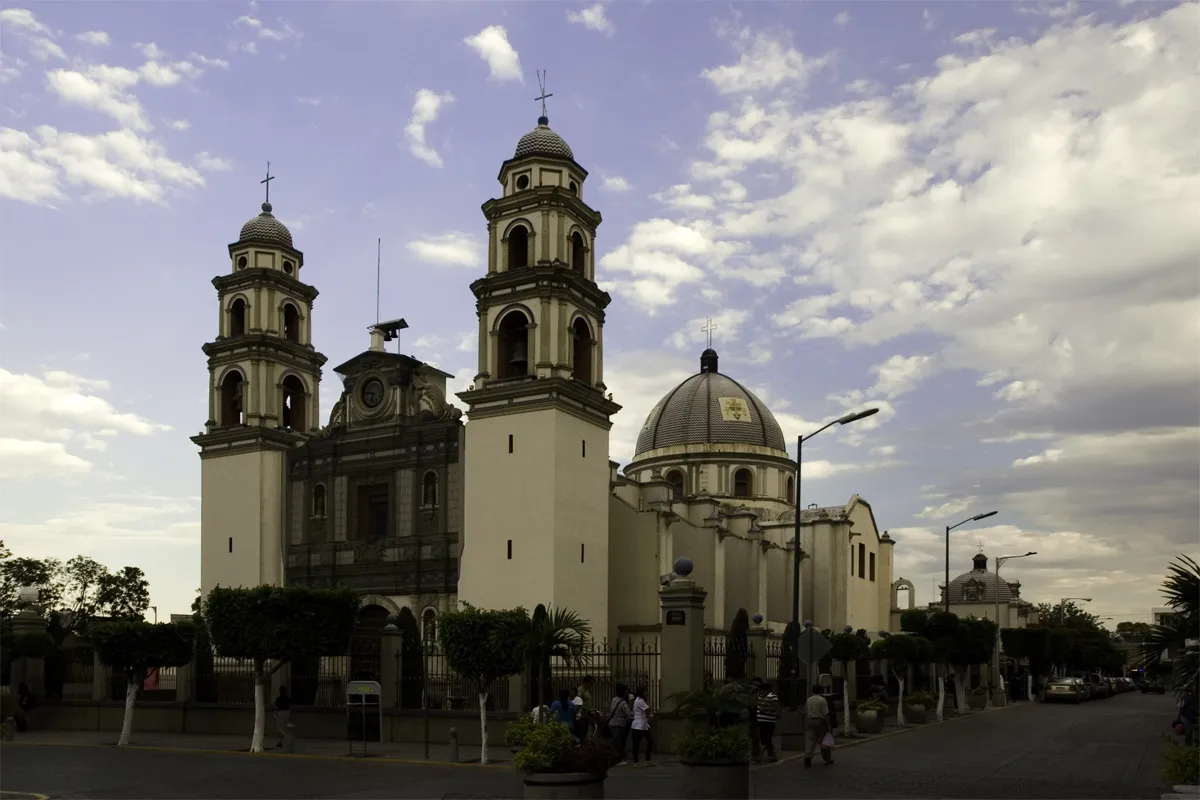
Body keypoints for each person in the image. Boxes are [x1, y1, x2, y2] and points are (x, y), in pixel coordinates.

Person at [803, 687, 834, 767]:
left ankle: (807, 756)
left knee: (810, 740)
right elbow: (826, 713)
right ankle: (827, 758)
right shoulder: (822, 700)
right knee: (824, 741)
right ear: (820, 691)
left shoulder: (808, 700)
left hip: (809, 720)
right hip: (820, 721)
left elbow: (805, 712)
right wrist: (828, 724)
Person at [607, 683, 632, 764]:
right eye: (626, 691)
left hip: (612, 723)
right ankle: (617, 759)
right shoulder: (623, 703)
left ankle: (613, 757)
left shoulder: (614, 699)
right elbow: (629, 715)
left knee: (615, 741)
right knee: (618, 742)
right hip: (620, 724)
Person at [755, 681, 779, 763]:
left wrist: (764, 710)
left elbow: (774, 709)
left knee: (766, 739)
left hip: (768, 721)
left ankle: (759, 756)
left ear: (765, 690)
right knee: (766, 740)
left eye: (761, 690)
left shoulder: (773, 697)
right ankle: (773, 756)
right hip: (761, 721)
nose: (759, 692)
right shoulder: (759, 697)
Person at [630, 687, 654, 765]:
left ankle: (637, 761)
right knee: (648, 741)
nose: (647, 693)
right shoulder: (640, 701)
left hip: (637, 725)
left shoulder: (636, 700)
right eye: (645, 692)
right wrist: (648, 716)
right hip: (640, 725)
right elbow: (648, 709)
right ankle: (645, 760)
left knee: (636, 743)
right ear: (642, 693)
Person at [748, 678, 764, 762]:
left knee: (757, 737)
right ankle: (756, 754)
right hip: (753, 718)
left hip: (759, 719)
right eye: (753, 684)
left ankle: (757, 754)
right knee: (753, 737)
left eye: (757, 685)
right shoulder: (751, 694)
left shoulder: (760, 695)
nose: (754, 686)